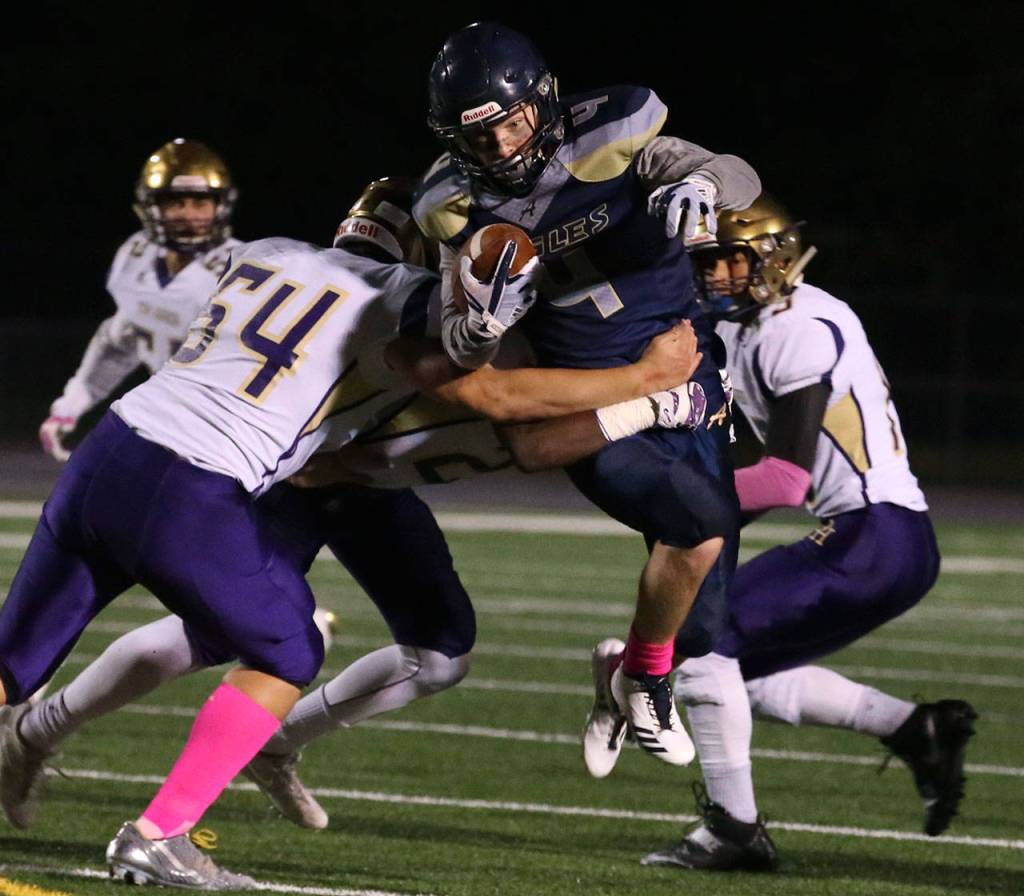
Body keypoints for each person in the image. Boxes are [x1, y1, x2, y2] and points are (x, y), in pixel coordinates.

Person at [0, 178, 701, 885]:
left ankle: (48, 743)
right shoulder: (397, 298)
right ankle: (161, 834)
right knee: (288, 650)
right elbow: (495, 390)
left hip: (112, 448)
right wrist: (646, 377)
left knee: (13, 663)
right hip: (195, 481)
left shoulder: (265, 250)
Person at [583, 193, 978, 871]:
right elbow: (754, 471)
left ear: (772, 257)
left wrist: (681, 512)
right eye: (705, 262)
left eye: (730, 261)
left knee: (703, 648)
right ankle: (916, 728)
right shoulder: (751, 327)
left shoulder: (798, 325)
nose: (715, 275)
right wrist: (695, 520)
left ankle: (735, 832)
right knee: (729, 674)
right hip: (878, 538)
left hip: (874, 536)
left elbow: (785, 479)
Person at [414, 21, 762, 766]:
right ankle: (644, 679)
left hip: (688, 368)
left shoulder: (613, 134)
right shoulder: (453, 205)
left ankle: (624, 673)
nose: (501, 147)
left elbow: (733, 172)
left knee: (703, 624)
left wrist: (701, 185)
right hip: (592, 399)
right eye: (478, 138)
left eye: (510, 125)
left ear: (542, 101)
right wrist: (480, 325)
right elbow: (460, 342)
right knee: (697, 521)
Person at [40, 139, 240, 462]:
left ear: (221, 205)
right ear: (151, 207)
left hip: (230, 431)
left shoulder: (241, 270)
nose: (189, 215)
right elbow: (119, 343)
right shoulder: (136, 258)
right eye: (176, 203)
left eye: (200, 202)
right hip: (168, 425)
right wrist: (70, 407)